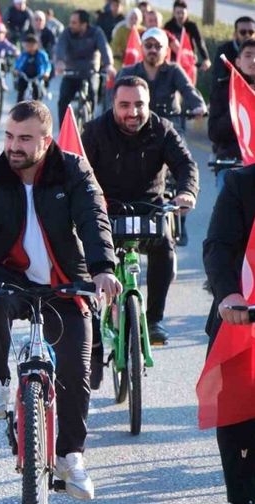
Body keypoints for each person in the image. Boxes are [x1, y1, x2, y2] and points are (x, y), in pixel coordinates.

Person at [0, 100, 120, 501]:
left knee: (75, 370)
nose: (13, 146)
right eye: (10, 137)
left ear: (46, 141)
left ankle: (70, 457)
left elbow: (93, 218)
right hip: (8, 273)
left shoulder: (74, 170)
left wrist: (102, 268)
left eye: (25, 139)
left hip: (65, 279)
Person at [81, 76, 198, 347]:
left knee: (164, 249)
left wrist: (186, 192)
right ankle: (92, 321)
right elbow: (77, 169)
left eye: (139, 105)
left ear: (149, 104)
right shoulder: (95, 131)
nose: (132, 113)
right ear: (113, 105)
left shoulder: (163, 129)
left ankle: (155, 319)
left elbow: (186, 165)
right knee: (84, 256)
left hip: (150, 209)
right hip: (106, 210)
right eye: (124, 105)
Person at [202, 163, 255, 504]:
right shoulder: (241, 184)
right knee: (239, 423)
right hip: (243, 320)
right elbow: (218, 246)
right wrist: (229, 294)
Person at [117, 28, 206, 131]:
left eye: (158, 46)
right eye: (148, 45)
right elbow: (116, 98)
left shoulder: (174, 70)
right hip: (137, 128)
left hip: (169, 128)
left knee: (180, 146)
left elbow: (187, 88)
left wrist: (198, 105)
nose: (153, 50)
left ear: (167, 51)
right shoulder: (128, 72)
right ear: (141, 48)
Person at [54, 9, 115, 127]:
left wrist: (109, 65)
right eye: (71, 22)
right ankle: (63, 131)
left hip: (90, 72)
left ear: (84, 24)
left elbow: (105, 48)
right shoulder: (67, 33)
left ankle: (90, 124)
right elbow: (60, 47)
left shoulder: (96, 32)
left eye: (74, 23)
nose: (70, 25)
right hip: (71, 72)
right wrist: (60, 62)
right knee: (63, 100)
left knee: (93, 93)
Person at [209, 39, 255, 187]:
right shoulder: (223, 89)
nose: (253, 60)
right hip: (231, 164)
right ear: (238, 62)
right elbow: (214, 133)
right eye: (248, 55)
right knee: (226, 208)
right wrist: (239, 104)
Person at [163, 0, 210, 72]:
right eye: (178, 13)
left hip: (189, 60)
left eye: (183, 13)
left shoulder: (192, 26)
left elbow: (199, 42)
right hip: (173, 61)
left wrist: (206, 58)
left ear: (187, 13)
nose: (180, 16)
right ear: (174, 13)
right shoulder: (168, 26)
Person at [212, 16, 255, 87]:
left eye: (251, 32)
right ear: (235, 34)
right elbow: (219, 79)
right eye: (243, 32)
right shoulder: (224, 51)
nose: (247, 35)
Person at [14, 33, 51, 101]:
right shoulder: (24, 55)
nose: (30, 47)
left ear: (36, 45)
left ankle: (37, 108)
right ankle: (19, 109)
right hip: (25, 76)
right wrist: (16, 70)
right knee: (20, 93)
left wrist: (47, 72)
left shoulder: (42, 54)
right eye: (28, 45)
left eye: (32, 45)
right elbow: (18, 63)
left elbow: (47, 64)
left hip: (37, 77)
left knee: (37, 93)